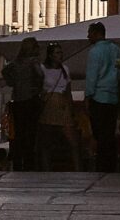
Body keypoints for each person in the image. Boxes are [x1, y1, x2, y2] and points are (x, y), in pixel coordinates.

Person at [84, 21, 120, 172]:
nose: (88, 37)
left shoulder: (94, 52)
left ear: (95, 33)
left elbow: (91, 76)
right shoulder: (117, 50)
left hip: (98, 96)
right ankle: (110, 164)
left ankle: (102, 165)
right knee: (110, 132)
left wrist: (88, 95)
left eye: (89, 33)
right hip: (113, 96)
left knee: (99, 134)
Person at [37, 43, 81, 171]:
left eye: (60, 52)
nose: (60, 55)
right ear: (50, 55)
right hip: (49, 104)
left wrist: (71, 108)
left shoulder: (65, 69)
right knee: (46, 142)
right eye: (57, 53)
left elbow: (68, 90)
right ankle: (46, 169)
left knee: (73, 141)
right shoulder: (42, 69)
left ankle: (78, 169)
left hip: (62, 105)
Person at [2, 37, 44, 171]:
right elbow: (41, 76)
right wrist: (37, 87)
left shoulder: (16, 63)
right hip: (31, 100)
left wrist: (13, 82)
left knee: (19, 134)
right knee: (31, 134)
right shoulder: (33, 62)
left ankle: (18, 163)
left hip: (18, 101)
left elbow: (5, 71)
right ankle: (29, 163)